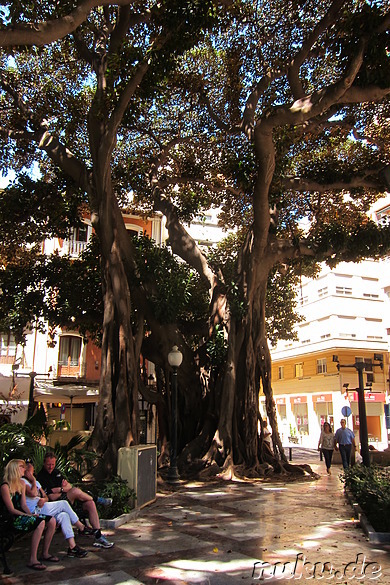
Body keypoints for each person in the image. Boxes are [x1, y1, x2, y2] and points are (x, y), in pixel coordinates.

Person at [36, 452, 114, 549]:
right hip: (57, 505)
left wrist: (59, 490)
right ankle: (98, 499)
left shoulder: (57, 473)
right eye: (48, 464)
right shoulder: (41, 477)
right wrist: (63, 490)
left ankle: (98, 536)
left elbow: (69, 486)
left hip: (69, 501)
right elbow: (51, 497)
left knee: (90, 503)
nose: (51, 467)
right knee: (75, 491)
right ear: (44, 463)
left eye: (53, 464)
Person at [0, 459, 57, 571]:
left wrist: (31, 514)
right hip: (12, 518)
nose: (25, 469)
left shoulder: (21, 483)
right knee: (40, 523)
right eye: (22, 467)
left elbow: (23, 504)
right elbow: (11, 509)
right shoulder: (5, 487)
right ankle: (33, 559)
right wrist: (28, 516)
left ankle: (45, 553)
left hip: (22, 515)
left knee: (52, 521)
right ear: (15, 469)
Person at [23, 462, 88, 558]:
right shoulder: (23, 482)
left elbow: (46, 496)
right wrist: (32, 480)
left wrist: (43, 499)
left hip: (43, 507)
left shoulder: (36, 482)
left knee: (64, 515)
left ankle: (72, 547)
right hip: (35, 510)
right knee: (63, 503)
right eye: (30, 471)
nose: (32, 473)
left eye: (32, 471)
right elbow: (32, 493)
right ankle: (81, 527)